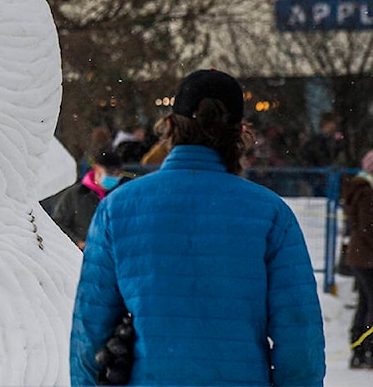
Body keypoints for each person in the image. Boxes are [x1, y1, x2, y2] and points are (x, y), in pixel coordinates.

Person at [71, 69, 325, 386]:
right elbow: (299, 340)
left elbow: (90, 329)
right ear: (240, 134)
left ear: (170, 127)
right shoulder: (271, 215)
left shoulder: (118, 209)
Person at [40, 150, 126, 250]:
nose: (114, 177)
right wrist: (77, 242)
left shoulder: (121, 198)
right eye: (110, 172)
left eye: (118, 174)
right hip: (80, 255)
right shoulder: (75, 195)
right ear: (97, 168)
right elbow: (58, 223)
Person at [343, 150, 373, 369]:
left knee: (365, 302)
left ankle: (360, 349)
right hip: (367, 258)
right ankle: (367, 349)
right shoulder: (367, 193)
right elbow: (368, 228)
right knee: (370, 304)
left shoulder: (360, 189)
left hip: (361, 256)